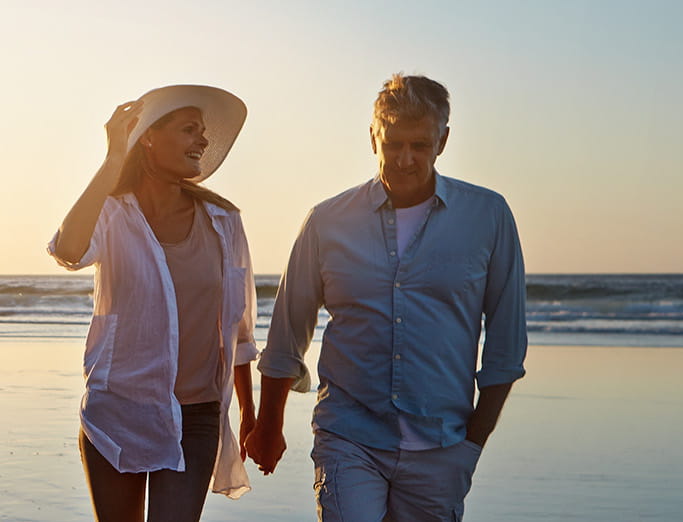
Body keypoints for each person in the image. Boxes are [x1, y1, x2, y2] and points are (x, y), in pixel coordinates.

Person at [245, 74, 527, 521]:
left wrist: (472, 445)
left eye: (420, 144)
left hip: (443, 446)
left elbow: (506, 347)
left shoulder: (488, 216)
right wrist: (268, 423)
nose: (406, 159)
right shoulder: (327, 221)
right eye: (393, 143)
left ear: (444, 140)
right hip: (348, 435)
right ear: (372, 138)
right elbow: (287, 333)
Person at [48, 85, 259, 521]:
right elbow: (68, 249)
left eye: (202, 133)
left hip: (197, 415)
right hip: (119, 409)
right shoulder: (112, 214)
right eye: (189, 130)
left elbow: (238, 328)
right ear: (147, 138)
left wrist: (250, 410)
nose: (201, 141)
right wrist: (111, 160)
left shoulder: (224, 222)